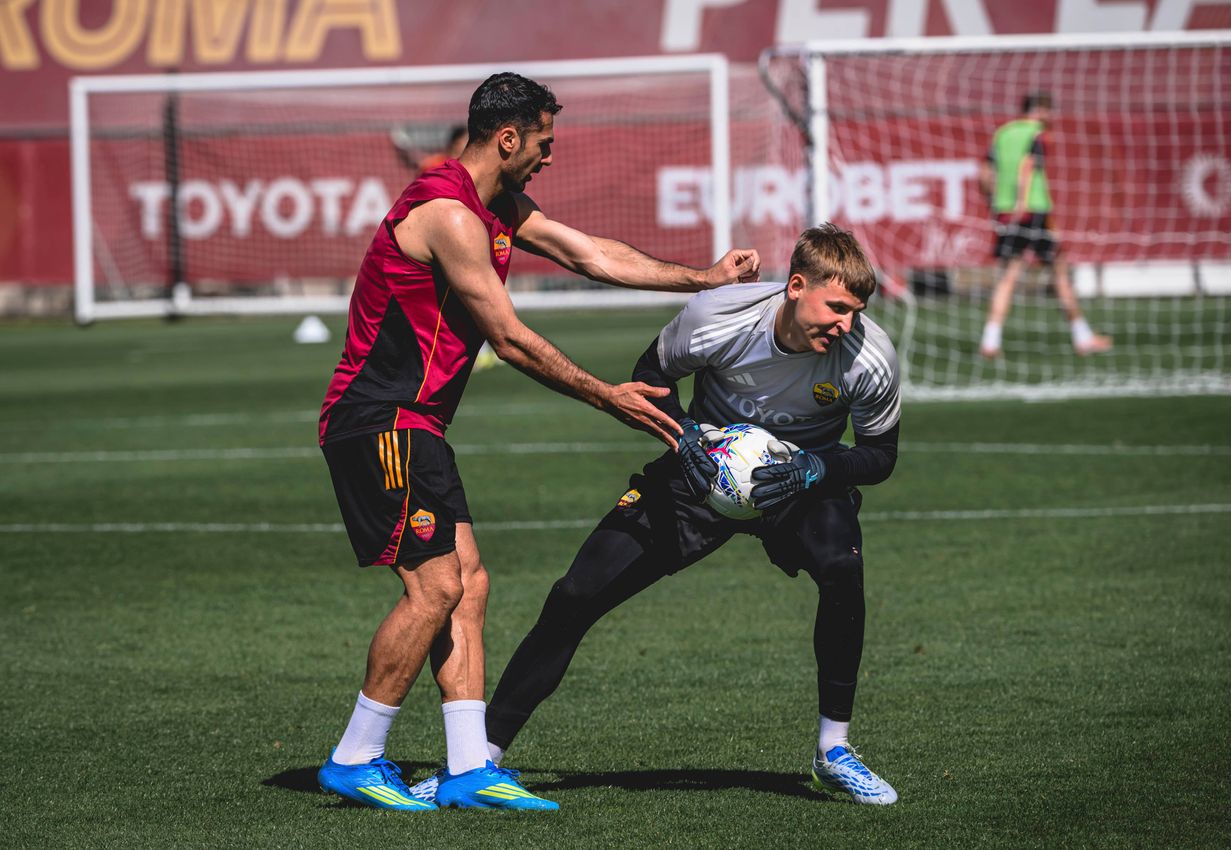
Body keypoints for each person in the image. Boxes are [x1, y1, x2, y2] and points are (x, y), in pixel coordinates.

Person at [315, 72, 761, 813]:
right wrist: (608, 396)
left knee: (469, 583)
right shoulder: (449, 215)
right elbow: (512, 341)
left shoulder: (494, 207)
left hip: (419, 424)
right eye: (545, 143)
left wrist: (702, 277)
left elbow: (590, 253)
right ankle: (356, 755)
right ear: (509, 137)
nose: (550, 157)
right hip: (381, 423)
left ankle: (466, 768)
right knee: (435, 588)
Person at [416, 223, 901, 806]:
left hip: (798, 481)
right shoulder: (719, 316)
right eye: (838, 307)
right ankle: (479, 762)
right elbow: (651, 376)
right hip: (700, 470)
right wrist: (688, 437)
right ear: (796, 286)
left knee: (843, 570)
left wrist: (818, 471)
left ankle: (834, 751)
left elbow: (880, 454)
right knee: (576, 594)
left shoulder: (868, 356)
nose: (848, 324)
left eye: (857, 311)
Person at [978, 92, 1112, 359]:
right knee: (1060, 273)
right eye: (1048, 111)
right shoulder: (1038, 133)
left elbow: (984, 173)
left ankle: (990, 342)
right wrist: (1021, 202)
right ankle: (1082, 337)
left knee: (1007, 278)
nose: (1051, 117)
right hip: (1034, 210)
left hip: (1005, 212)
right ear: (1038, 111)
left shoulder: (1003, 133)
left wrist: (996, 204)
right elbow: (1028, 166)